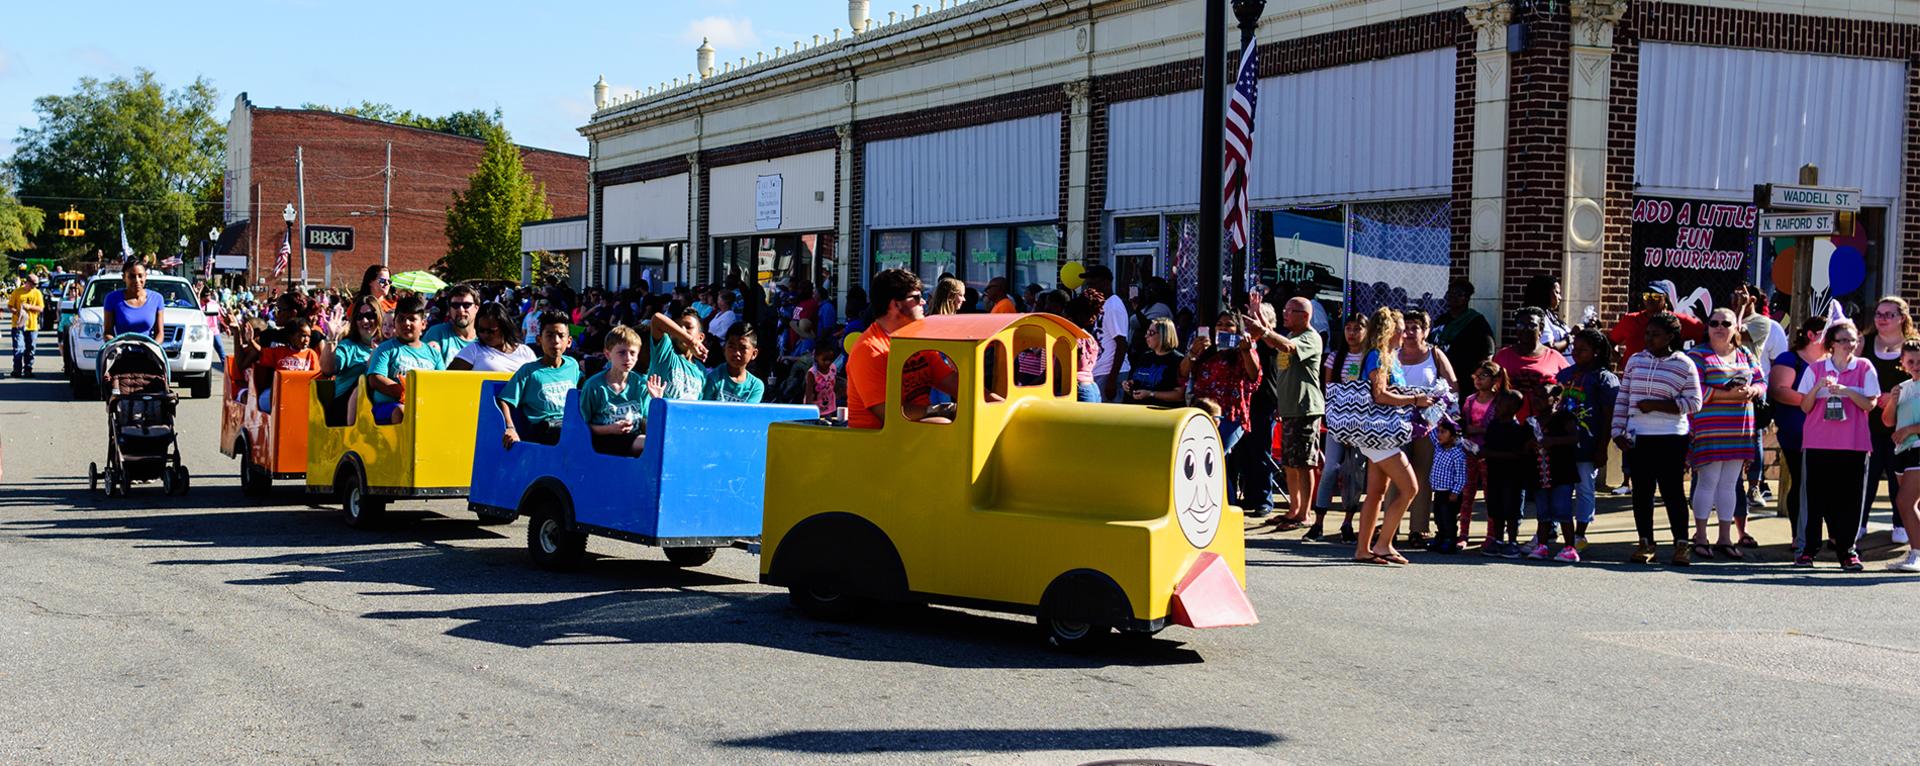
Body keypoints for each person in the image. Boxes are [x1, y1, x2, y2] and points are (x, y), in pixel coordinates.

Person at [1612, 313, 1704, 566]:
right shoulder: (1635, 360)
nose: (1648, 338)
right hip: (1638, 436)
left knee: (1672, 491)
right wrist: (1617, 431)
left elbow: (1695, 403)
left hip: (1671, 437)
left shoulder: (1684, 364)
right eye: (1647, 333)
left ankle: (1681, 545)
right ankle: (1645, 542)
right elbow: (1623, 397)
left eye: (1655, 334)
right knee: (1642, 492)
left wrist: (1656, 405)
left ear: (1670, 337)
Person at [1352, 307, 1433, 566]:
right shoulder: (1378, 356)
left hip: (1381, 435)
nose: (1405, 334)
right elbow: (1380, 395)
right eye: (1401, 329)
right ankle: (1383, 543)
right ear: (1390, 331)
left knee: (1376, 492)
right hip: (1380, 435)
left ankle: (1363, 549)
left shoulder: (1386, 356)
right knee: (1410, 487)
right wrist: (1415, 399)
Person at [1796, 320, 1879, 571]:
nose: (1849, 345)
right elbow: (1805, 406)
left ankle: (1847, 551)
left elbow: (1870, 404)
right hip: (1818, 443)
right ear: (1831, 343)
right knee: (1815, 500)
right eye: (1843, 340)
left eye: (1853, 340)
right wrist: (1818, 388)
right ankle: (1808, 550)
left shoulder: (1864, 367)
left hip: (1853, 444)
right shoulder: (1816, 369)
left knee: (1850, 501)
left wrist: (1845, 391)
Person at [1685, 308, 1765, 560]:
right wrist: (1729, 395)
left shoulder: (1745, 353)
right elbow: (1695, 389)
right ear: (1707, 327)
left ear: (1735, 328)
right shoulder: (1697, 355)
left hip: (1739, 428)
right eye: (1714, 323)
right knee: (1708, 481)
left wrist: (1753, 391)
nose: (1719, 327)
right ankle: (1700, 536)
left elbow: (1762, 381)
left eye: (1726, 323)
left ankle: (1725, 537)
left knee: (1730, 483)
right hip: (1710, 427)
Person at [846, 269, 958, 429]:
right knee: (943, 424)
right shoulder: (869, 349)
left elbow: (953, 382)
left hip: (914, 434)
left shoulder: (918, 342)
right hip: (878, 440)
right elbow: (890, 413)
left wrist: (990, 399)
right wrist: (938, 410)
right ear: (895, 304)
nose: (923, 302)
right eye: (917, 297)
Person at [1244, 298, 1320, 529]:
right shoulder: (1291, 335)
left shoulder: (1310, 337)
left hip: (1305, 409)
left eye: (1290, 311)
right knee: (1290, 463)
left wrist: (1263, 328)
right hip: (1288, 409)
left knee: (1304, 463)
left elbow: (1286, 346)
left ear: (1305, 316)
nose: (1285, 314)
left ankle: (1304, 513)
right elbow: (1272, 338)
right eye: (1284, 309)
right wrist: (1258, 315)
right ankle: (1293, 510)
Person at [1182, 311, 1262, 510]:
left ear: (1237, 329)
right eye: (1219, 324)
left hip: (1231, 415)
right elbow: (1182, 374)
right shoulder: (1206, 349)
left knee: (1215, 454)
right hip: (1204, 413)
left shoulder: (1244, 349)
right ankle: (1210, 504)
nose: (1223, 328)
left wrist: (1245, 351)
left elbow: (1254, 378)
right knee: (1205, 458)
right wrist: (1192, 353)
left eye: (1229, 325)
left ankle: (1225, 506)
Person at [1390, 309, 1457, 545]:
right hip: (1395, 423)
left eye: (1415, 328)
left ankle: (1418, 529)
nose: (1409, 333)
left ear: (1425, 331)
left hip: (1427, 424)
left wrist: (1439, 406)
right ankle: (1390, 528)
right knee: (1395, 475)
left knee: (1423, 475)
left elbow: (1453, 387)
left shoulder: (1435, 355)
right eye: (1405, 328)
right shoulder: (1391, 355)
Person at [1554, 329, 1618, 553]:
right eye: (1575, 348)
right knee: (1559, 488)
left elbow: (1608, 417)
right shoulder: (1565, 375)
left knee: (1584, 488)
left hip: (1587, 445)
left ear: (1596, 352)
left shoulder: (1604, 379)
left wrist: (1602, 448)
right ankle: (1551, 527)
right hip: (1562, 444)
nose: (1576, 353)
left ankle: (1580, 533)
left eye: (1582, 349)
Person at [1771, 317, 1829, 561]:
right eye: (1828, 332)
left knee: (1827, 484)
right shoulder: (1790, 358)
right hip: (1797, 432)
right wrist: (1815, 401)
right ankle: (1799, 534)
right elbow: (1779, 391)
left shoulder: (1832, 361)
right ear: (1812, 335)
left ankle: (1831, 535)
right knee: (1802, 481)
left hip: (1829, 433)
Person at [1311, 314, 1371, 543]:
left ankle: (1348, 522)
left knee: (1354, 472)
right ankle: (1318, 522)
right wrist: (1332, 419)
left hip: (1361, 422)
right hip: (1338, 420)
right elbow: (1329, 390)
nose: (1352, 333)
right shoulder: (1335, 357)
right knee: (1330, 469)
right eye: (1348, 328)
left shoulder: (1369, 357)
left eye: (1357, 329)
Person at [1863, 296, 1917, 547]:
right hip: (1868, 421)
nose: (1882, 319)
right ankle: (1859, 523)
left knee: (1901, 478)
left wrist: (1895, 397)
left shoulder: (1913, 347)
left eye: (1889, 314)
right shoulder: (1863, 343)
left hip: (1906, 426)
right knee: (1867, 475)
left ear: (1902, 318)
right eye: (1879, 314)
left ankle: (1901, 524)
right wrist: (1873, 397)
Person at [496, 313, 578, 447]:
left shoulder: (572, 365)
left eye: (561, 335)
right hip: (543, 429)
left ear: (569, 341)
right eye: (549, 335)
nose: (555, 341)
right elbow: (504, 400)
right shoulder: (528, 371)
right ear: (539, 340)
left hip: (569, 425)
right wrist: (510, 428)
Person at [364, 296, 443, 425]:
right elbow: (375, 379)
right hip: (388, 407)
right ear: (395, 322)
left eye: (412, 319)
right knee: (403, 411)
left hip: (423, 405)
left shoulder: (434, 354)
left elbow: (442, 383)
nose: (406, 323)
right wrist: (407, 395)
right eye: (401, 319)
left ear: (423, 324)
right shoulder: (386, 349)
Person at [583, 326, 656, 456]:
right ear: (608, 354)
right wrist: (611, 429)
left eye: (632, 353)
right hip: (604, 440)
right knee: (649, 443)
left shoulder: (641, 384)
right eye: (622, 353)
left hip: (634, 436)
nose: (628, 358)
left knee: (660, 442)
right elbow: (583, 426)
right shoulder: (594, 386)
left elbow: (645, 423)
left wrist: (657, 401)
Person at [1463, 361, 1511, 554]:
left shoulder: (1500, 402)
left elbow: (1501, 426)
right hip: (1469, 452)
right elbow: (1464, 423)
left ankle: (1491, 535)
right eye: (1476, 376)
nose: (1478, 380)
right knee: (1467, 493)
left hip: (1490, 453)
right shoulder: (1470, 400)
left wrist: (1480, 430)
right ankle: (1463, 534)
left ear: (1495, 379)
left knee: (1491, 495)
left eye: (1483, 376)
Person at [1881, 339, 1920, 572]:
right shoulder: (1903, 387)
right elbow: (1888, 421)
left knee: (1905, 502)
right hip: (1901, 451)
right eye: (1911, 361)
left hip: (1917, 448)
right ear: (1902, 363)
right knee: (1909, 505)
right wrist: (1893, 401)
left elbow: (1905, 427)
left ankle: (1917, 554)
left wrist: (1909, 430)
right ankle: (1915, 551)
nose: (1916, 365)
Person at [1481, 390, 1534, 558]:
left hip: (1513, 477)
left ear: (1512, 408)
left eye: (1501, 403)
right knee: (1496, 508)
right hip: (1495, 473)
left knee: (1512, 510)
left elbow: (1518, 454)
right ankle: (1498, 540)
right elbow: (1487, 444)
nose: (1496, 406)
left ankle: (1512, 541)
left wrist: (1489, 453)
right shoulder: (1493, 425)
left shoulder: (1519, 429)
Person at [1494, 307, 1570, 420]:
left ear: (1541, 328)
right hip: (1507, 423)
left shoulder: (1555, 357)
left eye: (1531, 325)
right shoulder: (1502, 356)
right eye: (1520, 325)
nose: (1525, 329)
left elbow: (1568, 389)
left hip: (1543, 424)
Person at [321, 295, 385, 420]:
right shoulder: (348, 346)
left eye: (370, 316)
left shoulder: (388, 346)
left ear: (379, 317)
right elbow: (328, 370)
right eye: (360, 317)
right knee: (367, 378)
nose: (365, 321)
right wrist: (331, 339)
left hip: (377, 408)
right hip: (345, 410)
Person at [1430, 278, 1494, 385]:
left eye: (1459, 294)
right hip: (1439, 376)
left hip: (1464, 378)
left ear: (1467, 298)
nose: (1454, 297)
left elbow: (1488, 352)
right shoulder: (1442, 319)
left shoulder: (1476, 321)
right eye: (1451, 293)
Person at [1610, 290, 1703, 362]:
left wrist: (1692, 359)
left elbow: (1704, 335)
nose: (1650, 299)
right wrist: (1622, 361)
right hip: (1635, 374)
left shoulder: (1678, 321)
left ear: (1665, 298)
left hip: (1667, 373)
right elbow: (1609, 342)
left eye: (1656, 296)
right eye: (1647, 295)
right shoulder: (1630, 320)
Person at [251, 316, 320, 412]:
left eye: (309, 336)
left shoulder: (311, 354)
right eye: (303, 336)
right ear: (291, 337)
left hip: (300, 394)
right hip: (279, 393)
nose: (307, 340)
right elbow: (262, 352)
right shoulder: (280, 351)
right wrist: (251, 341)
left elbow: (316, 376)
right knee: (263, 399)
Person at [1084, 265, 1131, 402]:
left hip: (1110, 372)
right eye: (1088, 284)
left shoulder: (1114, 306)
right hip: (1100, 370)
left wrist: (1112, 379)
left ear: (1105, 282)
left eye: (1092, 284)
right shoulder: (1102, 304)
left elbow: (1121, 344)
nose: (1089, 288)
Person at [450, 302, 537, 373]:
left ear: (504, 327)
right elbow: (448, 379)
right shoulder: (473, 350)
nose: (485, 334)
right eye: (481, 330)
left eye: (491, 331)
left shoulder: (525, 352)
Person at [649, 308, 710, 401]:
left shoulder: (701, 370)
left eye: (688, 327)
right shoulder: (665, 352)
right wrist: (690, 341)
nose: (682, 329)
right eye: (677, 327)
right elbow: (656, 319)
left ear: (701, 337)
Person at [1427, 418, 1468, 554]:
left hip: (1450, 493)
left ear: (1453, 436)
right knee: (1438, 516)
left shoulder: (1457, 454)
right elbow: (1431, 431)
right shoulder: (1438, 448)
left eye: (1443, 432)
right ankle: (1441, 537)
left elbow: (1461, 476)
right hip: (1439, 491)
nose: (1439, 435)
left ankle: (1450, 540)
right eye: (1439, 431)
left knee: (1448, 517)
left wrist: (1455, 492)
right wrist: (1435, 416)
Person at [1122, 317, 1185, 406]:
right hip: (1140, 409)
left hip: (1163, 410)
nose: (1146, 336)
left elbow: (1179, 395)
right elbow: (1136, 380)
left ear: (1164, 335)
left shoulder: (1177, 360)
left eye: (1151, 333)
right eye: (1147, 332)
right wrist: (1128, 385)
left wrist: (1151, 394)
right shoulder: (1145, 356)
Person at [101, 260, 164, 340]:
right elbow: (107, 332)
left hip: (147, 347)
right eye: (132, 276)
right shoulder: (112, 299)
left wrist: (154, 346)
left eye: (140, 276)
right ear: (124, 277)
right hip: (121, 347)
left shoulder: (157, 299)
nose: (137, 280)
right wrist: (117, 345)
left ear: (145, 276)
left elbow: (160, 333)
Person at [704, 324, 766, 403]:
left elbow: (748, 410)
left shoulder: (756, 386)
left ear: (754, 354)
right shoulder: (712, 377)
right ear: (724, 349)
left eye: (743, 348)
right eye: (732, 347)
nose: (736, 353)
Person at [422, 283, 478, 366]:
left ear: (477, 308)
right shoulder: (436, 334)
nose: (461, 310)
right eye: (455, 305)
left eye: (466, 305)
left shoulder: (485, 338)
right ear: (449, 309)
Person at [1520, 274, 1571, 353]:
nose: (1560, 297)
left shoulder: (1551, 315)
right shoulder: (1537, 317)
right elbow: (1548, 348)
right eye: (1557, 292)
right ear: (1545, 293)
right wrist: (1568, 339)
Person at [8, 272, 44, 378]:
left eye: (36, 284)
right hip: (18, 325)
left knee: (30, 348)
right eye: (34, 284)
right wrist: (18, 312)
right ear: (27, 282)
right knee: (18, 348)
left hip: (32, 326)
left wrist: (29, 307)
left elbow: (41, 308)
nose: (35, 286)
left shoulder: (37, 293)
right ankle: (17, 370)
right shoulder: (17, 292)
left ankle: (28, 369)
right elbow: (10, 306)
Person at [803, 344, 842, 419]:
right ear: (816, 358)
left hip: (830, 407)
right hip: (816, 409)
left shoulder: (833, 368)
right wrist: (809, 412)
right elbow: (808, 394)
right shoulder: (812, 373)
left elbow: (833, 382)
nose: (827, 362)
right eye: (824, 360)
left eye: (830, 360)